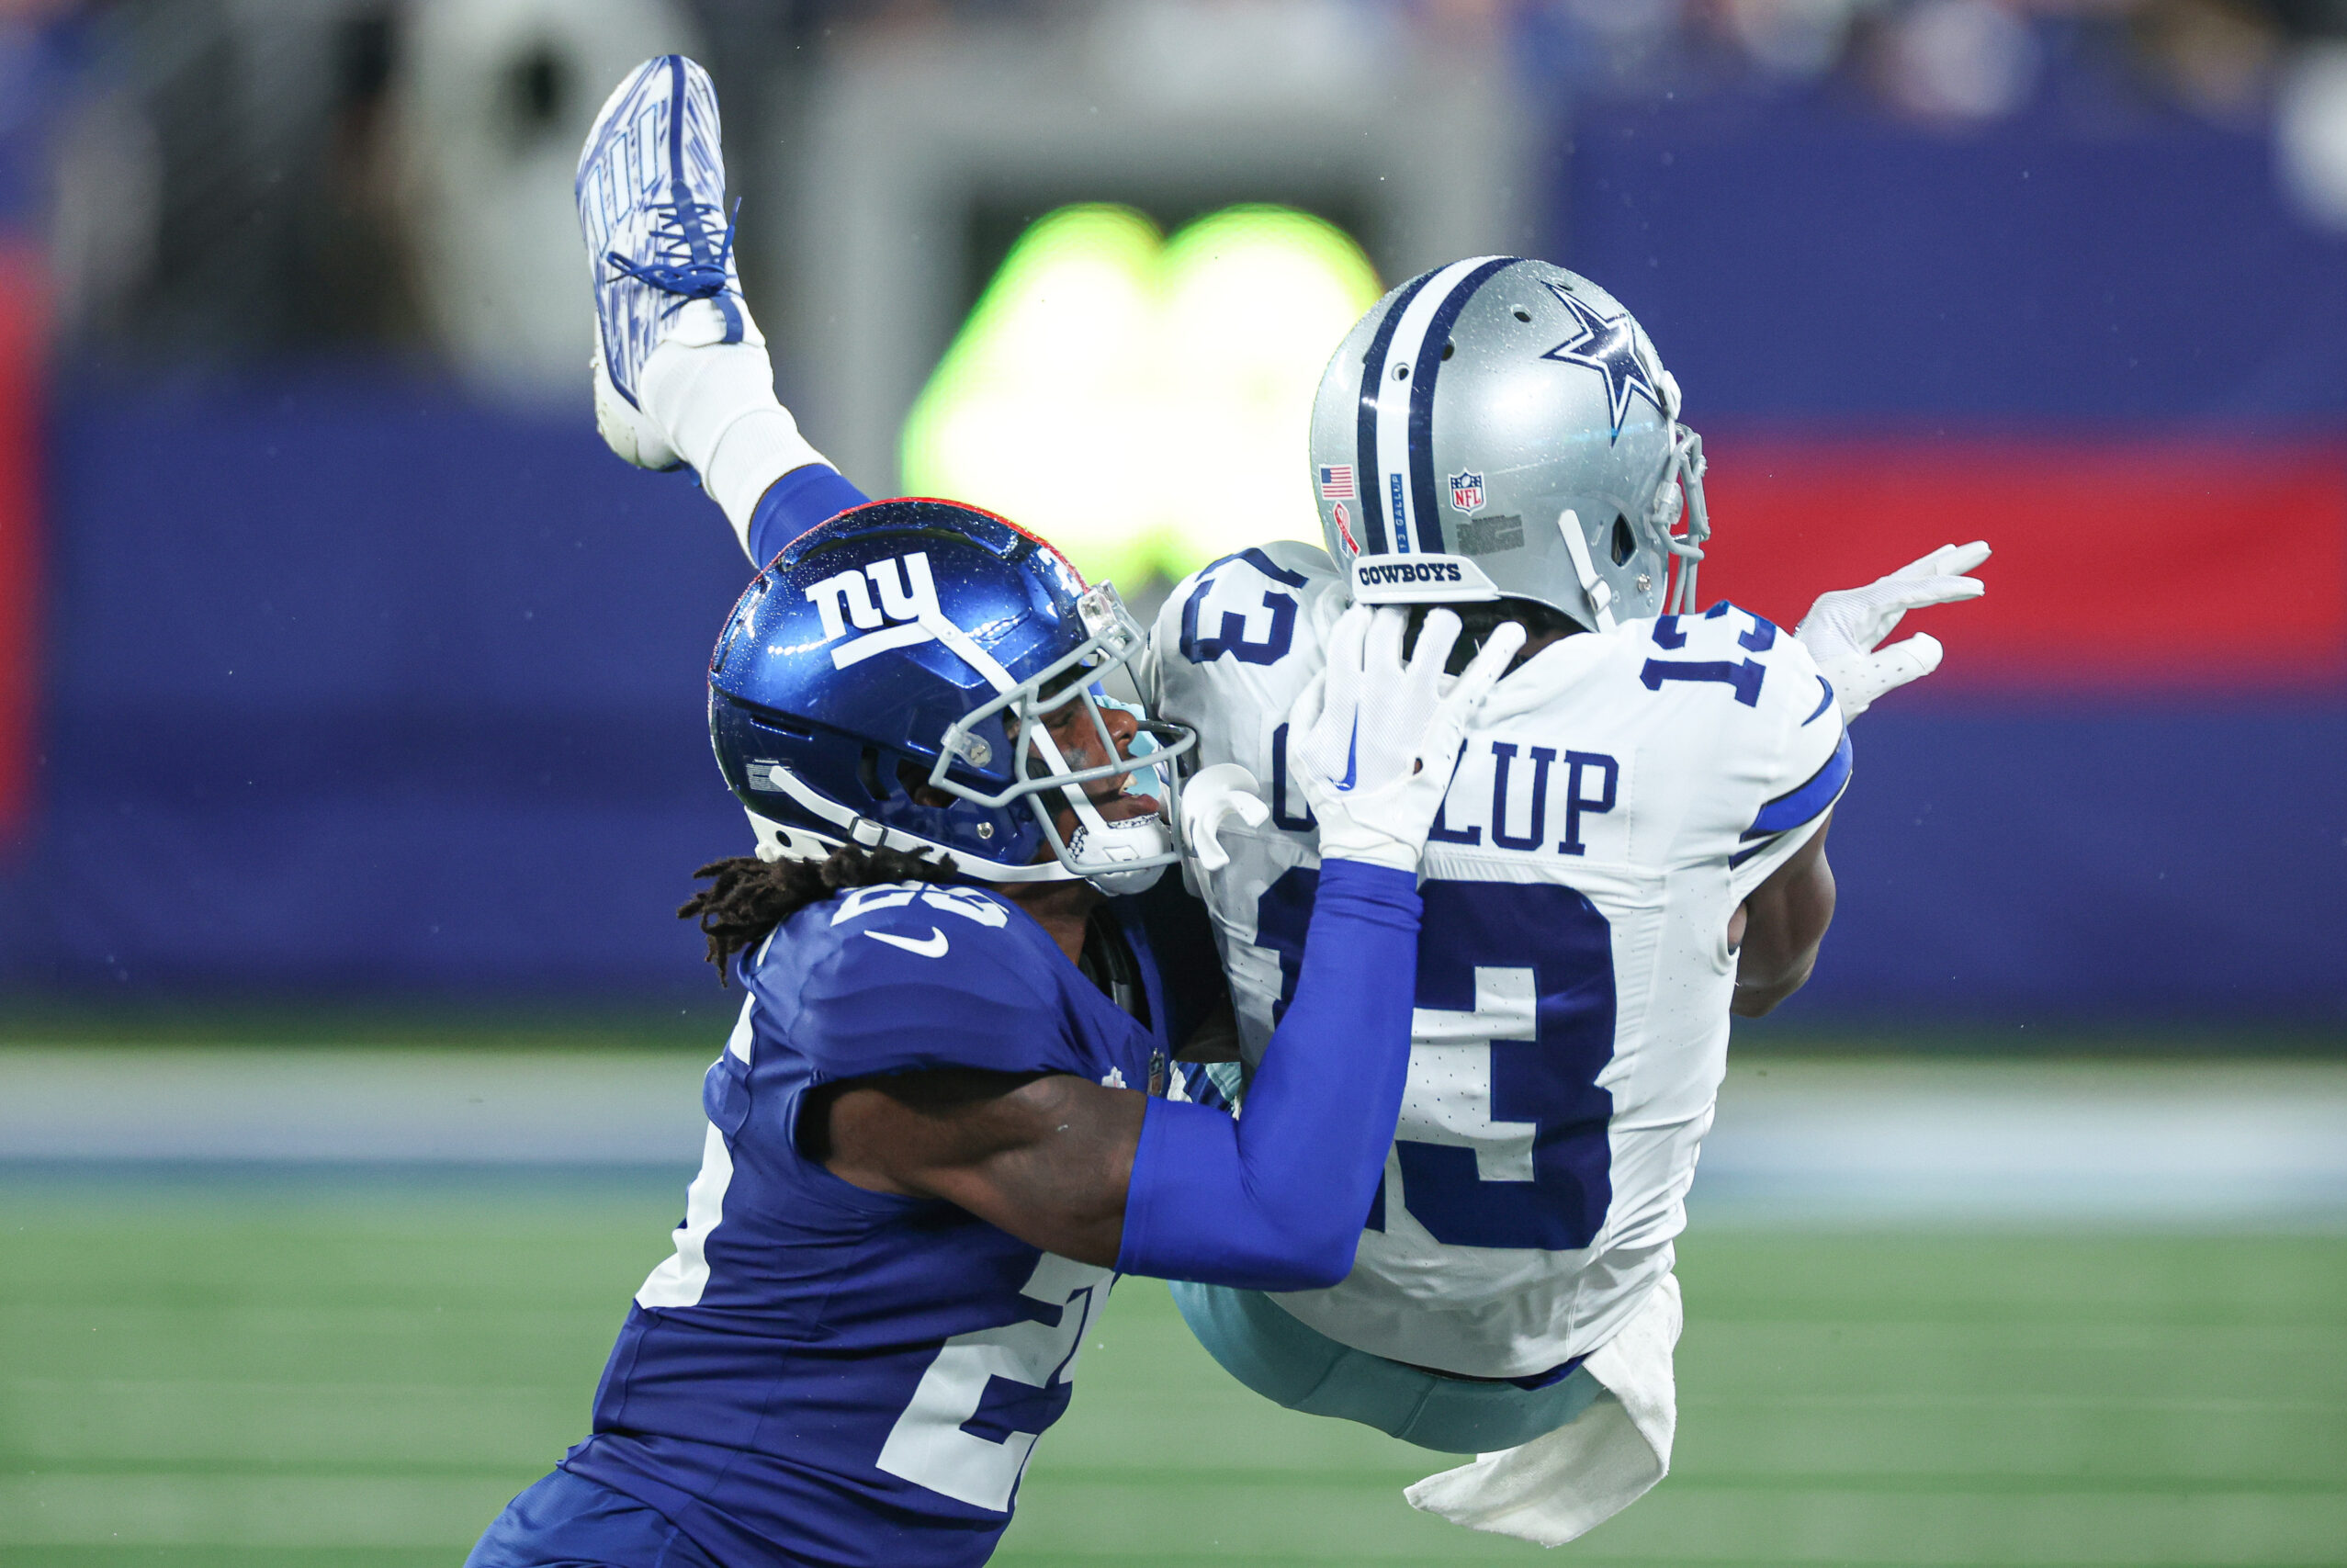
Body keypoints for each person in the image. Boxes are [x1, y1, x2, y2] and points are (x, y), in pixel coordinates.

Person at [464, 55, 1527, 1568]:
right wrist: (1365, 858)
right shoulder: (896, 976)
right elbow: (1286, 1212)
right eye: (1055, 724)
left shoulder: (1044, 908)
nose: (1116, 739)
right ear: (924, 802)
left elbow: (887, 603)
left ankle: (691, 370)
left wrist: (719, 407)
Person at [1146, 256, 1988, 1545]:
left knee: (1194, 927)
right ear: (1569, 504)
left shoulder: (1233, 635)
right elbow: (1766, 976)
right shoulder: (1734, 707)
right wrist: (1799, 773)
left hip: (1268, 1306)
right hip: (1539, 1357)